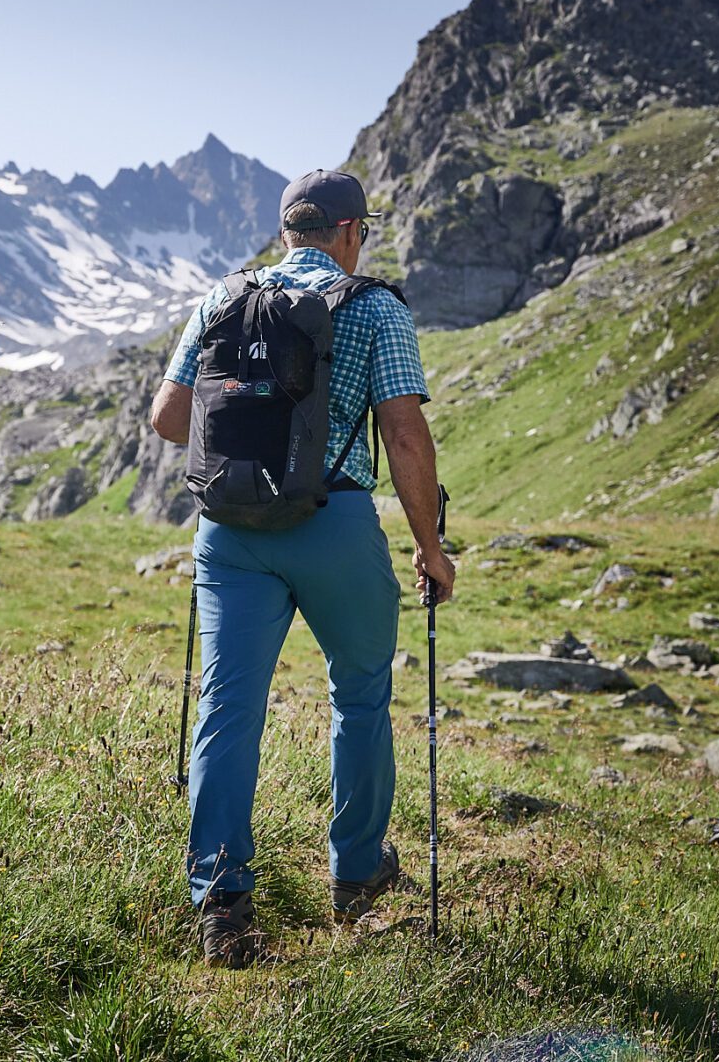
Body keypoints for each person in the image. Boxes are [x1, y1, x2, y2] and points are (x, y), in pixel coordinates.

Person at [147, 168, 455, 968]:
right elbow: (406, 436)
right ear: (353, 232)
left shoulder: (222, 299)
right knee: (358, 692)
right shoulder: (375, 307)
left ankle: (221, 904)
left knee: (229, 705)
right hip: (335, 519)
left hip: (231, 530)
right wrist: (430, 545)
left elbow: (169, 418)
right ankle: (355, 876)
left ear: (287, 233)